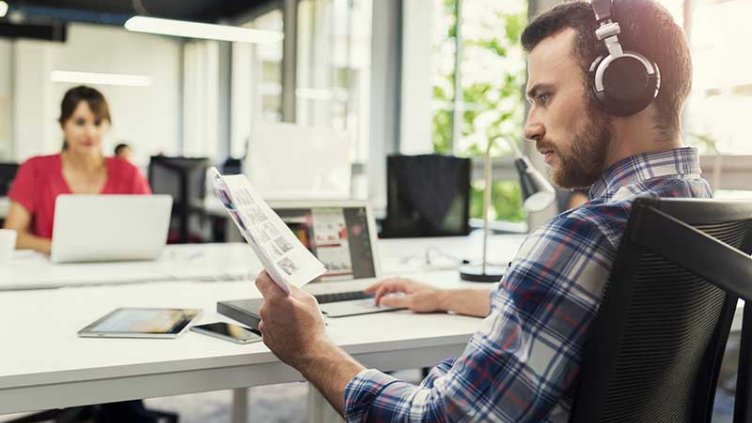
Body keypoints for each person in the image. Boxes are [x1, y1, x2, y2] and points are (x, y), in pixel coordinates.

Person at [254, 0, 710, 421]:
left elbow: (439, 417)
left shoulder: (585, 233)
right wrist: (448, 297)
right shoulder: (698, 205)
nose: (531, 127)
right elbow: (603, 314)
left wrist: (311, 347)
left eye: (544, 97)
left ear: (620, 85)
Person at [3, 86, 151, 254]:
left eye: (97, 123)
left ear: (107, 125)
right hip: (51, 272)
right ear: (63, 124)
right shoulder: (35, 169)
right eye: (80, 122)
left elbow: (147, 232)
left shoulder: (129, 173)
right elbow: (14, 235)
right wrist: (59, 249)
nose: (90, 132)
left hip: (115, 268)